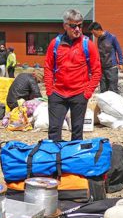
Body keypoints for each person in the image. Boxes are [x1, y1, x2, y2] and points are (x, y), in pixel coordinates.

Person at [43, 9, 101, 141]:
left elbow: (97, 71)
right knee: (54, 131)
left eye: (80, 25)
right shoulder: (55, 44)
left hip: (79, 94)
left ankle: (73, 159)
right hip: (57, 93)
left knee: (77, 131)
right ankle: (55, 159)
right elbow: (48, 68)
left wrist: (87, 93)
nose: (78, 29)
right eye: (73, 25)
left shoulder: (88, 45)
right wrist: (49, 90)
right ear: (65, 26)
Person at [88, 22, 123, 93]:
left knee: (113, 89)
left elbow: (119, 50)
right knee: (103, 90)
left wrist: (121, 62)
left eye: (94, 33)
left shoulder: (112, 37)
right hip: (102, 68)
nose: (94, 35)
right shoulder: (99, 40)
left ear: (99, 30)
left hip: (112, 68)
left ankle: (114, 104)